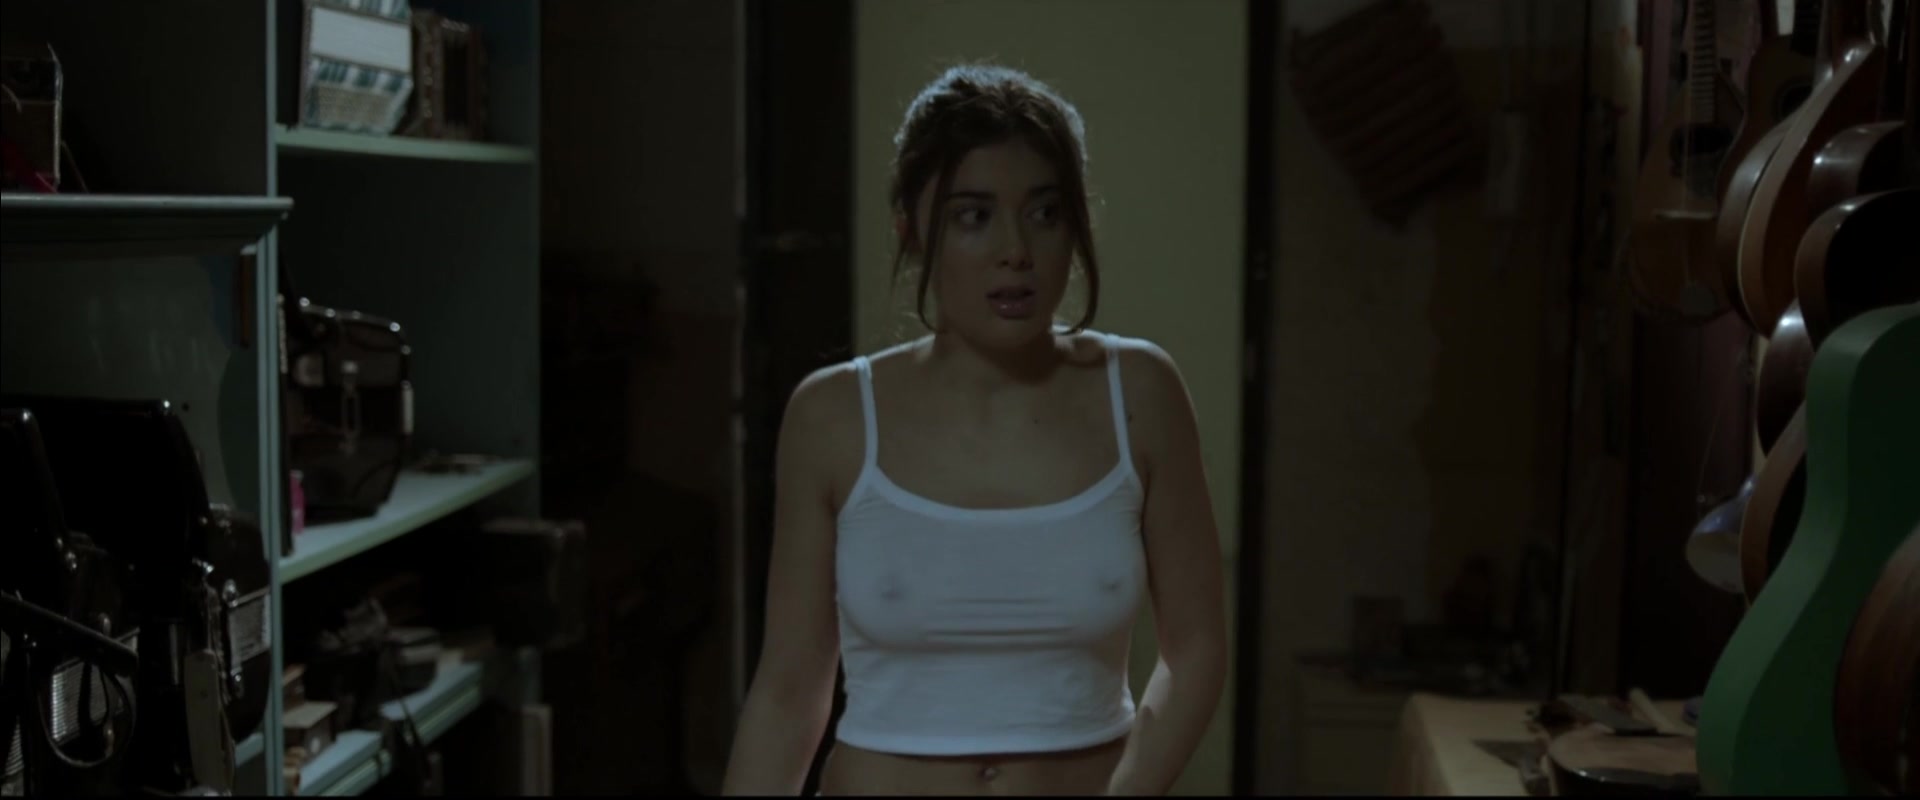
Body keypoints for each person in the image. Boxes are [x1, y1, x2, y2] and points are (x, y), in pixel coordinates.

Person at [720, 63, 1227, 797]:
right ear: (911, 230)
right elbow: (788, 693)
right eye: (973, 215)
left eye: (1044, 213)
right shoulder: (832, 415)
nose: (1014, 249)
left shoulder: (1140, 392)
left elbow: (1197, 649)